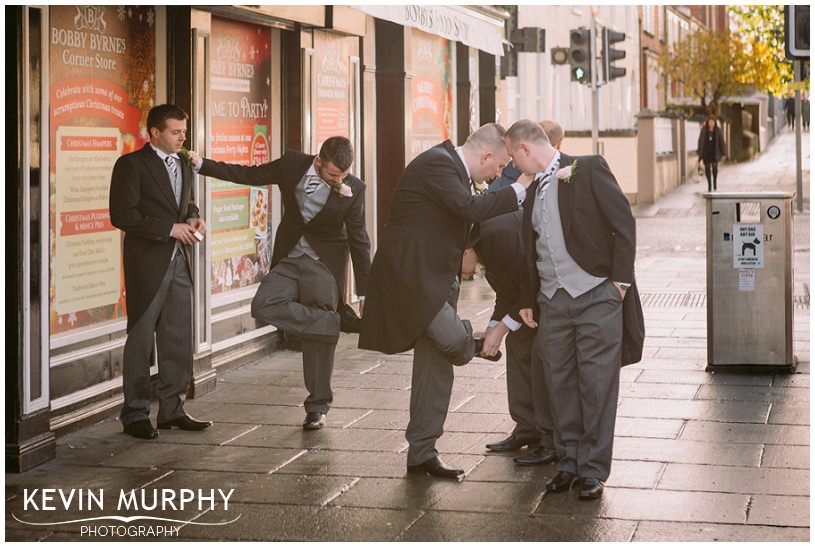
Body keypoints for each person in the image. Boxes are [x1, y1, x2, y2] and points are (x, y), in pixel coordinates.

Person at [359, 123, 532, 479]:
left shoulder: (455, 173)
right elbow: (468, 209)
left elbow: (463, 223)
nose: (498, 174)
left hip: (436, 282)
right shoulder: (437, 162)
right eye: (499, 167)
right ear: (486, 155)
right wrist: (519, 190)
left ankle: (422, 452)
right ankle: (481, 343)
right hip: (412, 282)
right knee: (454, 340)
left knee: (434, 370)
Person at [190, 137, 371, 430]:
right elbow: (248, 174)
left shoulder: (355, 189)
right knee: (264, 305)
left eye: (343, 176)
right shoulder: (291, 165)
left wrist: (366, 292)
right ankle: (331, 324)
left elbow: (359, 238)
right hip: (289, 256)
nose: (338, 181)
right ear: (318, 162)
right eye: (332, 175)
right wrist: (203, 165)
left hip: (324, 263)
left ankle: (317, 407)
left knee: (317, 338)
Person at [508, 119, 644, 500]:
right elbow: (531, 250)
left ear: (525, 150)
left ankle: (593, 470)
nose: (514, 166)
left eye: (514, 158)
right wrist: (526, 300)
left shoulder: (588, 169)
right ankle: (567, 462)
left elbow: (624, 225)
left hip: (596, 294)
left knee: (597, 383)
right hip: (552, 300)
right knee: (559, 383)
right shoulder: (533, 190)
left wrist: (618, 284)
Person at [109, 104, 211, 439]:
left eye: (184, 130)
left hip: (181, 260)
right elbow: (122, 215)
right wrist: (169, 228)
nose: (183, 137)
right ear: (154, 133)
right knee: (140, 341)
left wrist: (194, 218)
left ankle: (172, 410)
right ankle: (135, 414)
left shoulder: (184, 162)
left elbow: (186, 205)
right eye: (176, 132)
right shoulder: (130, 165)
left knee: (179, 337)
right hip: (147, 264)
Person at [469, 208, 556, 466]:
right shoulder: (483, 245)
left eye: (457, 267)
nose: (463, 276)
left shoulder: (497, 236)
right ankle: (527, 428)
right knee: (517, 343)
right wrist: (493, 327)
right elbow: (507, 291)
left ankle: (548, 437)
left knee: (539, 355)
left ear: (465, 251)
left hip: (547, 292)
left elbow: (529, 282)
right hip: (527, 297)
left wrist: (502, 328)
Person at [488, 120, 564, 194]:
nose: (513, 165)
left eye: (513, 156)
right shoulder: (516, 178)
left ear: (525, 149)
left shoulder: (572, 173)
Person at [697, 116, 726, 192]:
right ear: (707, 122)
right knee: (707, 168)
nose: (711, 123)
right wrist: (700, 153)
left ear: (715, 123)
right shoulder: (704, 130)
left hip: (715, 151)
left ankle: (715, 183)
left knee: (714, 168)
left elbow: (721, 142)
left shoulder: (718, 130)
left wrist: (723, 153)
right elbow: (700, 141)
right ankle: (709, 184)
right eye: (710, 122)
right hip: (706, 152)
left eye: (712, 122)